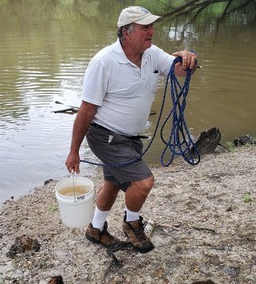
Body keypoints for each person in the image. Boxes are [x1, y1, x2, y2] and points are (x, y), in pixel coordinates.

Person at [64, 6, 198, 253]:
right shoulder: (104, 62)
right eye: (145, 27)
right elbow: (86, 110)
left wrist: (188, 60)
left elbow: (178, 70)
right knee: (144, 182)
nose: (151, 31)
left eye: (151, 26)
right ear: (126, 32)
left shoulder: (152, 54)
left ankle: (95, 229)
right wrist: (73, 151)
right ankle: (132, 222)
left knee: (113, 184)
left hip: (131, 138)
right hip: (105, 136)